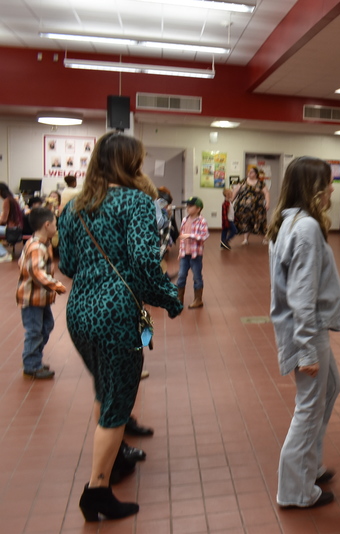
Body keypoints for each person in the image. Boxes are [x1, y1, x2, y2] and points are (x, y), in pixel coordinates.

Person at [58, 131, 183, 522]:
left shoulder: (72, 207)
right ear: (131, 164)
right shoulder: (135, 202)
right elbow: (147, 264)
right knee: (117, 403)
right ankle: (98, 489)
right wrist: (171, 299)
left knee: (104, 387)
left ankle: (114, 456)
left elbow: (66, 265)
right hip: (117, 313)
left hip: (80, 311)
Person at [268, 156, 340, 509]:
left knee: (330, 388)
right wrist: (307, 350)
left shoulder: (290, 222)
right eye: (327, 183)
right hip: (307, 331)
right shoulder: (306, 229)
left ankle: (308, 467)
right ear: (313, 189)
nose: (332, 188)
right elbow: (301, 294)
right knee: (309, 407)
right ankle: (295, 491)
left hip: (305, 328)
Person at [16, 207, 66, 379]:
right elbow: (37, 273)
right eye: (55, 224)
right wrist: (56, 285)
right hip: (32, 299)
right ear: (46, 225)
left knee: (47, 325)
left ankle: (33, 357)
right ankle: (31, 364)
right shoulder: (37, 247)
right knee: (34, 331)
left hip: (40, 298)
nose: (56, 227)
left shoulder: (39, 244)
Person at [176, 197, 209, 309]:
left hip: (196, 255)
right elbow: (182, 237)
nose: (188, 208)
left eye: (191, 206)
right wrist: (180, 251)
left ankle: (198, 300)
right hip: (185, 254)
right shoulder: (185, 220)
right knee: (181, 276)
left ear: (198, 208)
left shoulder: (202, 221)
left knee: (197, 277)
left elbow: (204, 236)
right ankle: (179, 299)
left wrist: (191, 236)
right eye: (187, 206)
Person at [234, 166, 269, 245]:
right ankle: (245, 239)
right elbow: (235, 191)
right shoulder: (243, 181)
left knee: (260, 222)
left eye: (252, 171)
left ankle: (264, 239)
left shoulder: (260, 183)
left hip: (257, 207)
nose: (249, 172)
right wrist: (230, 201)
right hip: (243, 208)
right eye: (249, 171)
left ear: (256, 174)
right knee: (245, 222)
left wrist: (267, 203)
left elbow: (266, 193)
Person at [0, 182, 24, 262]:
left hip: (12, 230)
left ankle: (4, 254)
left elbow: (4, 220)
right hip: (17, 228)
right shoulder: (12, 199)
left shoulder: (7, 201)